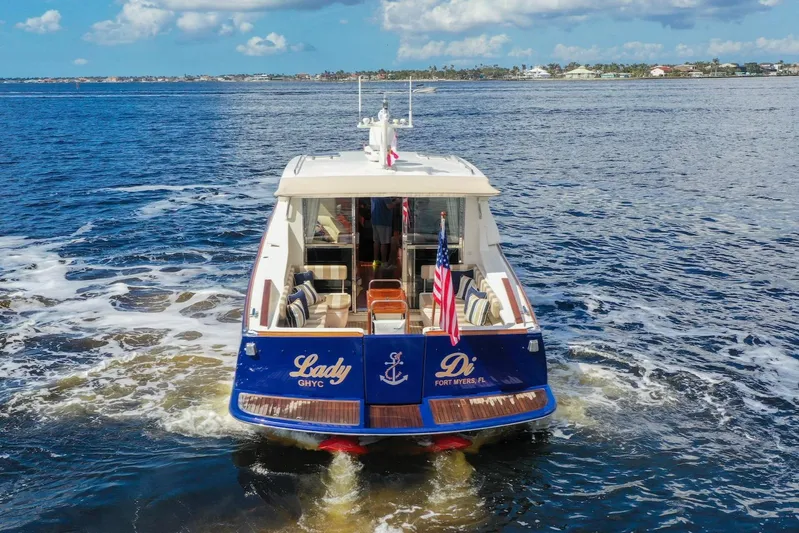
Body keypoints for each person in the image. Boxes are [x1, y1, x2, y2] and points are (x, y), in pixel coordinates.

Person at [371, 197, 398, 267]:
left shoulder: (374, 195)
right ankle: (384, 262)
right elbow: (389, 206)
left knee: (376, 241)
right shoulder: (386, 195)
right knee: (384, 243)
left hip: (374, 220)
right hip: (384, 221)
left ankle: (375, 260)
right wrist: (397, 201)